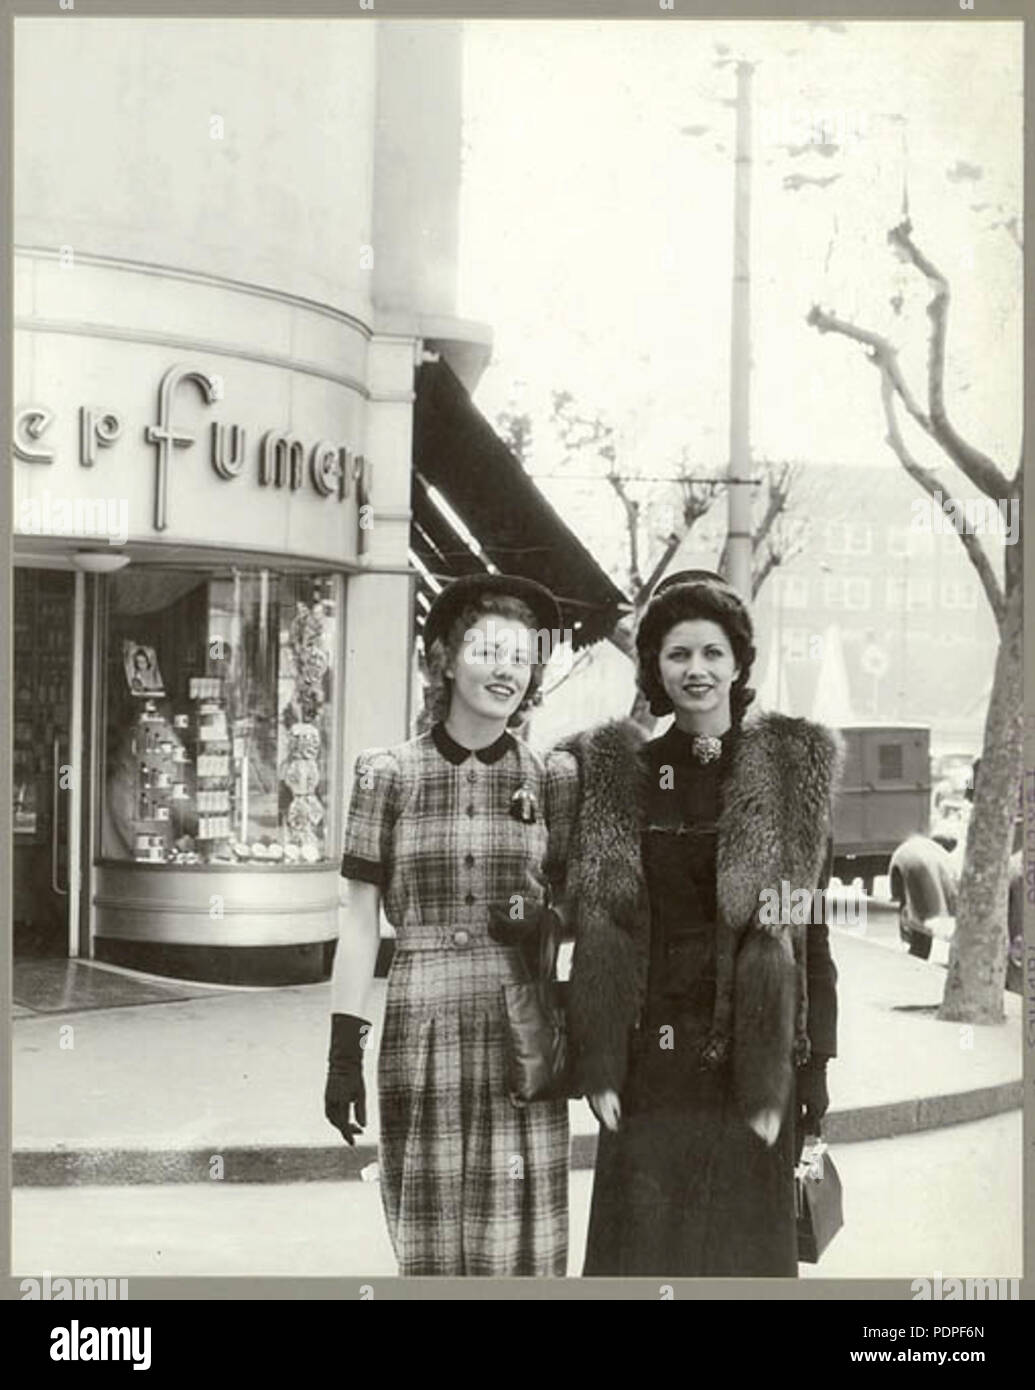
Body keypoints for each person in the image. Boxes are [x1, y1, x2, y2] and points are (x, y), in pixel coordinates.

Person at [554, 570, 843, 1277]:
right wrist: (599, 1064)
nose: (696, 670)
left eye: (713, 653)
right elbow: (600, 926)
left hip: (752, 1061)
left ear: (740, 663)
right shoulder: (616, 777)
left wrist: (811, 1072)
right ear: (654, 665)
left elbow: (808, 932)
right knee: (646, 1257)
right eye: (677, 654)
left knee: (740, 1261)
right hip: (646, 1067)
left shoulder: (783, 776)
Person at [323, 574, 577, 1276]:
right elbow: (359, 921)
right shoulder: (386, 775)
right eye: (487, 649)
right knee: (429, 1228)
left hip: (517, 1026)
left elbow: (579, 912)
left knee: (517, 1235)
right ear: (442, 656)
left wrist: (543, 922)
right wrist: (343, 1052)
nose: (505, 669)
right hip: (420, 1018)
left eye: (521, 658)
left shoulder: (553, 777)